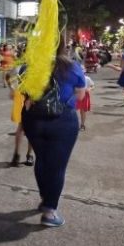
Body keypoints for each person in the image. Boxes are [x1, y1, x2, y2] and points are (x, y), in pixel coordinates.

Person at [22, 37, 86, 227]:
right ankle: (50, 211)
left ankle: (45, 199)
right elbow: (80, 94)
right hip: (62, 121)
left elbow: (22, 91)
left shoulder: (30, 66)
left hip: (33, 120)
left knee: (42, 159)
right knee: (57, 166)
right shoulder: (71, 67)